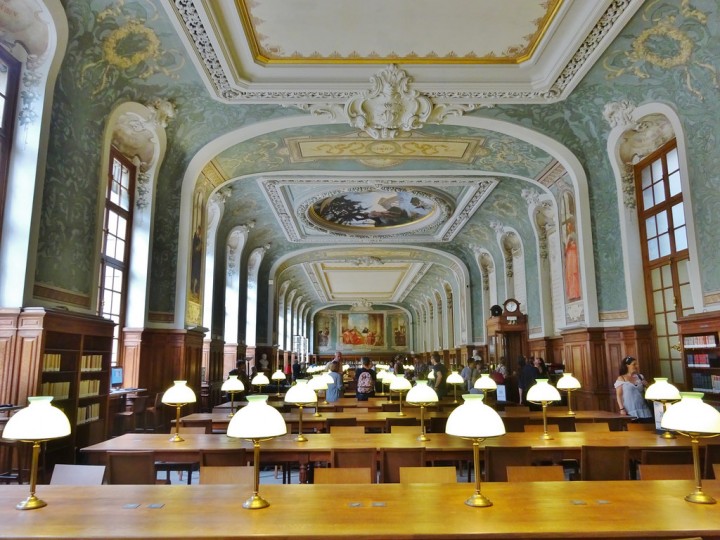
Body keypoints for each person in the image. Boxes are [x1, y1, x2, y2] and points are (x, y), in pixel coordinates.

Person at [615, 356, 652, 421]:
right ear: (627, 365)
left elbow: (649, 391)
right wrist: (622, 409)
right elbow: (619, 395)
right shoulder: (621, 378)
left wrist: (647, 385)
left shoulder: (640, 377)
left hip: (644, 409)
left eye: (637, 364)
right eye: (634, 364)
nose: (636, 366)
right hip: (630, 410)